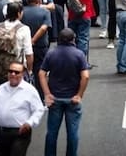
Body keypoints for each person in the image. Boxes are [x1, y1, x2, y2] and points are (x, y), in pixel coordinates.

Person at [39, 28, 90, 156]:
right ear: (73, 39)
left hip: (55, 98)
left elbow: (41, 74)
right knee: (72, 133)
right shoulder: (79, 54)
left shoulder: (51, 53)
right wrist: (79, 95)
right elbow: (85, 76)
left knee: (52, 133)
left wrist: (47, 94)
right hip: (72, 99)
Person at [0, 61, 45, 156]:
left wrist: (29, 123)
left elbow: (39, 110)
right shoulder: (0, 89)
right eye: (10, 71)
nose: (13, 74)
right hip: (1, 133)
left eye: (16, 72)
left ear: (22, 74)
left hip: (19, 133)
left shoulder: (29, 90)